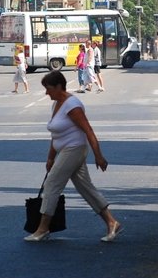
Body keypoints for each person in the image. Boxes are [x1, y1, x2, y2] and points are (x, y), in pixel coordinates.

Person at [24, 70, 122, 242]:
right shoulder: (56, 104)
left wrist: (98, 156)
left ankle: (43, 228)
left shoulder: (72, 105)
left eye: (48, 89)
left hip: (74, 149)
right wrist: (50, 157)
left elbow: (88, 131)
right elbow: (55, 135)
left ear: (59, 86)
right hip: (64, 150)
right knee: (86, 188)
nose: (46, 93)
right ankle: (112, 222)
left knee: (52, 183)